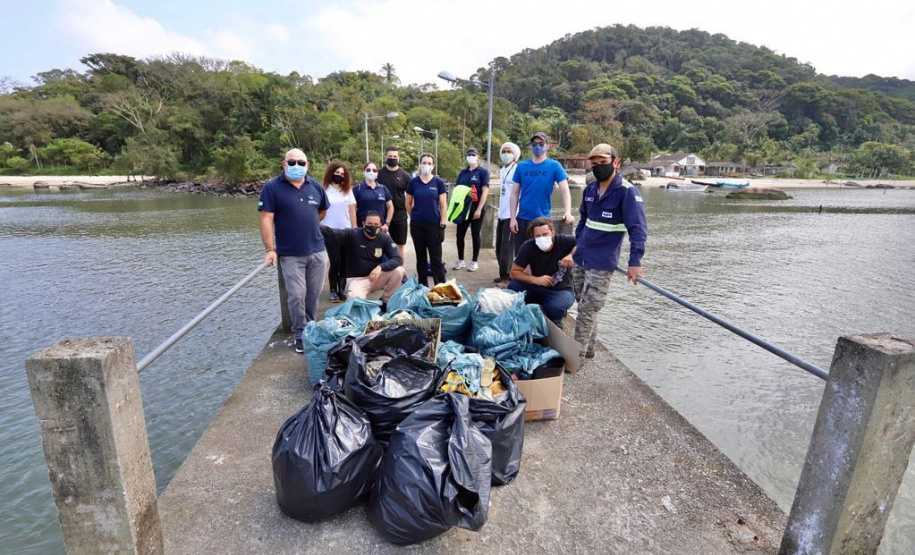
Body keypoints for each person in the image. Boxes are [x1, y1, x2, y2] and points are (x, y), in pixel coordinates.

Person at [572, 143, 648, 363]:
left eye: (603, 163)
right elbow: (583, 221)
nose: (597, 167)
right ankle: (590, 350)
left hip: (602, 262)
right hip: (582, 257)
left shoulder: (626, 192)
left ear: (616, 163)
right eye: (594, 164)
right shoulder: (590, 190)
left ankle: (575, 357)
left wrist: (635, 262)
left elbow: (638, 229)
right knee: (583, 304)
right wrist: (578, 244)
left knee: (588, 309)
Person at [258, 148, 329, 353]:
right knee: (297, 295)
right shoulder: (272, 188)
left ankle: (311, 329)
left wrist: (308, 223)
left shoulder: (315, 186)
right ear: (284, 164)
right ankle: (299, 334)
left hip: (317, 250)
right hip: (290, 254)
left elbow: (322, 211)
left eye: (301, 163)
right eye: (292, 162)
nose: (296, 166)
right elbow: (266, 218)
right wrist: (270, 249)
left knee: (313, 295)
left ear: (307, 166)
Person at [320, 211, 405, 308]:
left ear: (380, 225)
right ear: (364, 224)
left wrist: (380, 267)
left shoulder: (384, 238)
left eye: (376, 224)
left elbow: (398, 259)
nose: (373, 226)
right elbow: (331, 233)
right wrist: (314, 223)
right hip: (357, 280)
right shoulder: (352, 234)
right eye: (369, 224)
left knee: (399, 271)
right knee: (354, 299)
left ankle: (386, 302)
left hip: (375, 277)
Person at [509, 131, 574, 255]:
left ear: (547, 146)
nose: (538, 146)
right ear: (530, 146)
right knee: (521, 256)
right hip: (522, 219)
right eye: (534, 144)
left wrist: (568, 212)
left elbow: (565, 190)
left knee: (542, 256)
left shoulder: (554, 166)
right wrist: (513, 218)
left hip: (543, 220)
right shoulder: (522, 166)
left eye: (541, 143)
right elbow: (514, 193)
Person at [507, 217, 576, 327]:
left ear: (552, 232)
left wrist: (571, 255)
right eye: (537, 236)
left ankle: (555, 321)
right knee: (513, 286)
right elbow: (514, 272)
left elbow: (584, 241)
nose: (542, 238)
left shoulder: (564, 241)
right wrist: (536, 280)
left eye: (545, 234)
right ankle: (530, 312)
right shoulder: (528, 246)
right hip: (538, 286)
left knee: (554, 307)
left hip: (562, 290)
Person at [406, 153, 448, 286]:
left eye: (429, 163)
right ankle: (423, 287)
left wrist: (443, 225)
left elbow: (443, 205)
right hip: (417, 225)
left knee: (436, 259)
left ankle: (441, 288)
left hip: (434, 225)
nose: (426, 165)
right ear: (420, 164)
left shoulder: (438, 183)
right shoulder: (414, 182)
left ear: (433, 166)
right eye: (424, 163)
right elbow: (408, 203)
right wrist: (414, 216)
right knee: (421, 258)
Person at [321, 162, 357, 303]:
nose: (339, 176)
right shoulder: (323, 190)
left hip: (346, 230)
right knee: (334, 262)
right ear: (331, 173)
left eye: (342, 174)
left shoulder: (347, 190)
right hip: (329, 231)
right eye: (337, 173)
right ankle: (332, 290)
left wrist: (354, 229)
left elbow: (352, 210)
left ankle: (342, 289)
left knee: (344, 263)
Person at [450, 147, 490, 272]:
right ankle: (461, 260)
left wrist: (479, 209)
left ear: (478, 157)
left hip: (476, 208)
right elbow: (457, 190)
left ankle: (474, 261)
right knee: (459, 235)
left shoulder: (483, 172)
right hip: (463, 208)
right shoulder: (463, 173)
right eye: (469, 155)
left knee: (475, 234)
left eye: (473, 154)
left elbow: (485, 192)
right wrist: (466, 193)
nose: (471, 156)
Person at [377, 146, 412, 261]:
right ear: (386, 157)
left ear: (399, 158)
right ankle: (380, 271)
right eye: (390, 156)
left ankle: (400, 272)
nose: (392, 158)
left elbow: (412, 195)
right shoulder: (379, 174)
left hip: (400, 215)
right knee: (379, 244)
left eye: (394, 156)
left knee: (400, 244)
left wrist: (411, 210)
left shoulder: (405, 175)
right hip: (381, 214)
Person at [495, 141, 521, 285]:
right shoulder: (502, 171)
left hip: (512, 215)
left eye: (509, 151)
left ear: (515, 155)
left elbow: (519, 193)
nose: (506, 154)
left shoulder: (518, 169)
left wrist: (514, 217)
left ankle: (507, 277)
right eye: (504, 151)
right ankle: (502, 273)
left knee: (507, 247)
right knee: (499, 246)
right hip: (501, 214)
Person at [352, 162, 394, 233]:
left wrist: (387, 224)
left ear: (377, 173)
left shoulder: (383, 188)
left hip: (380, 229)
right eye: (368, 170)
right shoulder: (357, 189)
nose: (371, 172)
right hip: (362, 229)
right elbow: (352, 209)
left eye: (374, 170)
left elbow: (390, 208)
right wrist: (354, 227)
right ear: (364, 172)